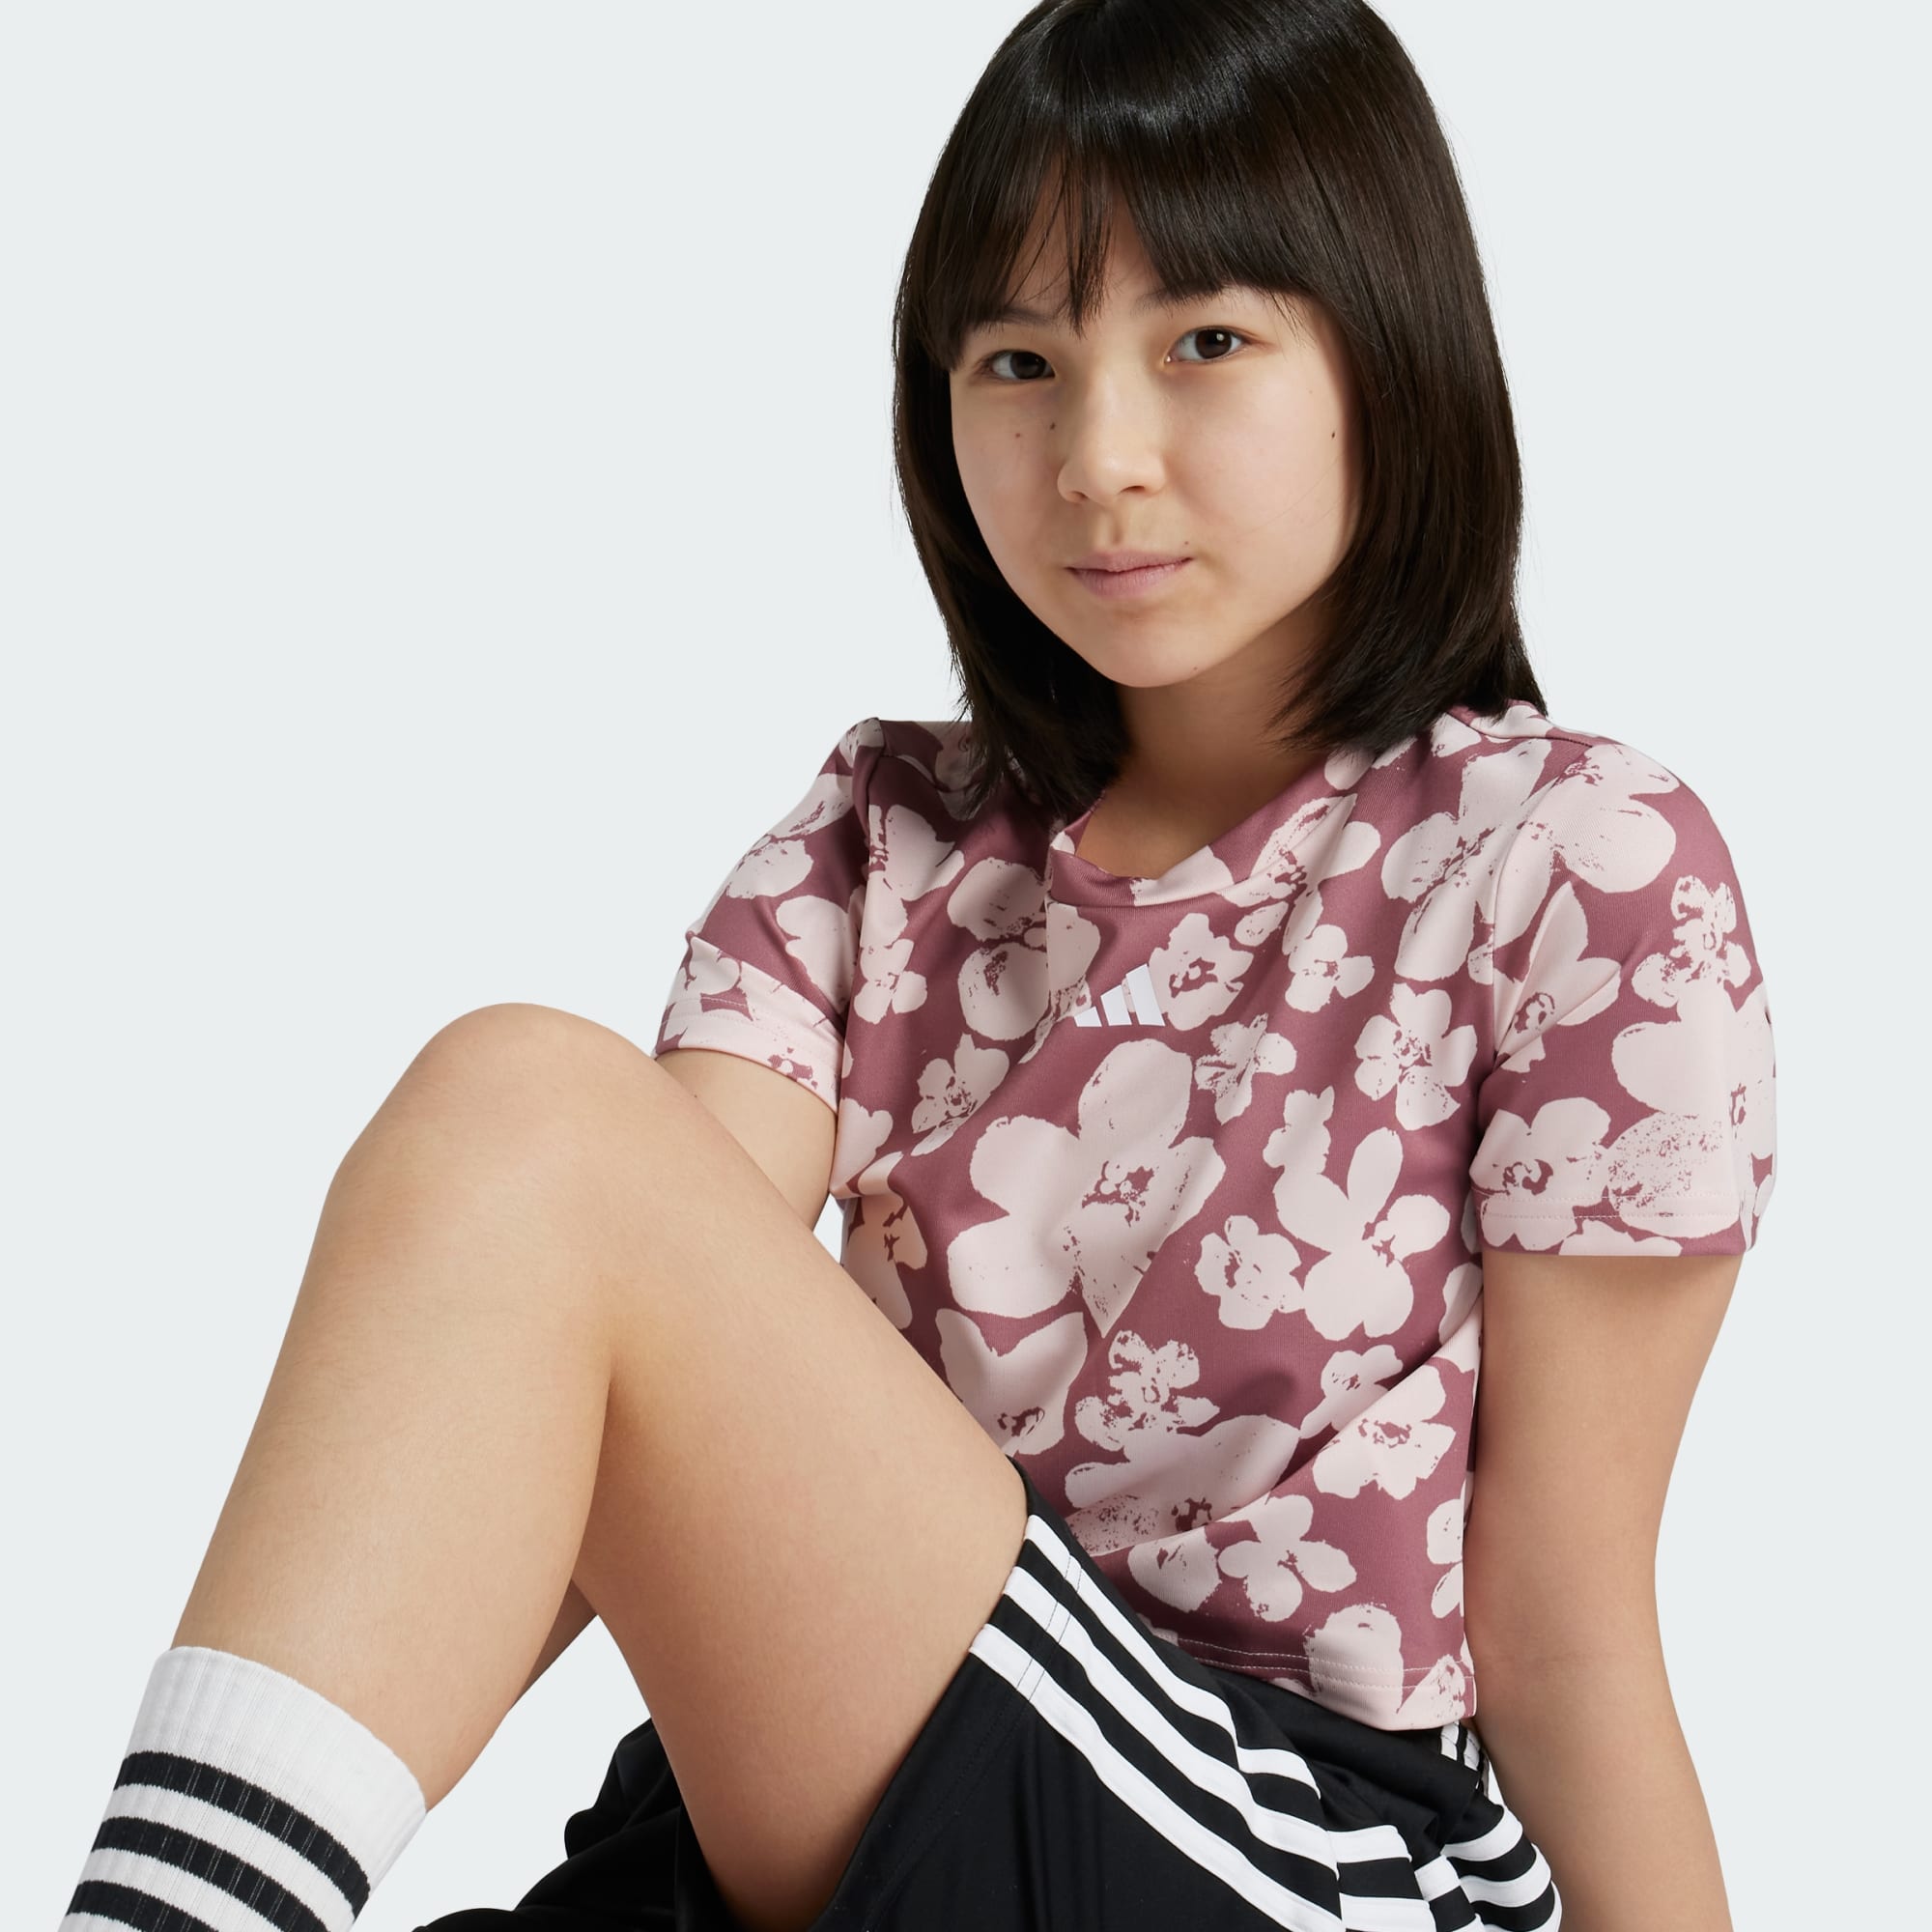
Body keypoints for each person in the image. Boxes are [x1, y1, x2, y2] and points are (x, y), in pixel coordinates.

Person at [57, 3, 1775, 1929]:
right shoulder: (883, 842)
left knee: (526, 1099)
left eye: (1204, 342)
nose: (1097, 457)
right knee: (514, 1132)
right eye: (1018, 362)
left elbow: (1565, 1634)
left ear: (1390, 353)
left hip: (1282, 1849)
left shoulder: (1574, 862)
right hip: (819, 1820)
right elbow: (562, 1344)